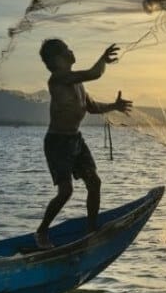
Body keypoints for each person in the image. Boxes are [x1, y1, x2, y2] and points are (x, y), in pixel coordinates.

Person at [34, 39, 132, 249]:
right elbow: (94, 73)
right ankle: (42, 232)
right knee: (66, 191)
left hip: (75, 140)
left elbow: (92, 107)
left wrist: (114, 106)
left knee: (94, 183)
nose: (71, 50)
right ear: (57, 60)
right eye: (67, 49)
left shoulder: (77, 82)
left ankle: (91, 230)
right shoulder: (59, 78)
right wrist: (103, 59)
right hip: (58, 142)